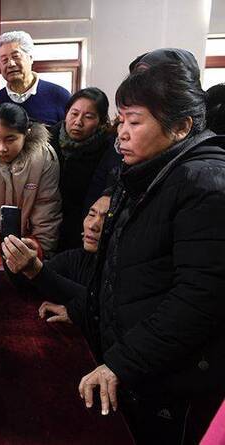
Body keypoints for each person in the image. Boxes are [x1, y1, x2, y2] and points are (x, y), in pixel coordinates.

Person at [42, 59, 224, 443]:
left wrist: (122, 364)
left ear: (180, 127)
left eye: (134, 122)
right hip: (138, 367)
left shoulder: (204, 182)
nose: (120, 134)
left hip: (171, 382)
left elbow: (199, 299)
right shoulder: (144, 172)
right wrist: (82, 311)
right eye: (120, 121)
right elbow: (122, 269)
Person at [0, 103, 62, 257]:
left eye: (10, 140)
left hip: (28, 245)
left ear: (26, 134)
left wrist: (39, 250)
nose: (2, 148)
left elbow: (46, 210)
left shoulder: (44, 157)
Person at [1, 195, 111, 325]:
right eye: (91, 215)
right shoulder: (75, 258)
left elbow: (99, 301)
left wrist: (75, 312)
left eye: (106, 218)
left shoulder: (124, 271)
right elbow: (28, 286)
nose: (93, 226)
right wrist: (10, 256)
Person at [48, 87, 121, 251]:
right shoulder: (47, 142)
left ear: (101, 121)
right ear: (66, 113)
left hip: (83, 235)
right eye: (74, 114)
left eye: (88, 117)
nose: (78, 122)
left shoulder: (109, 150)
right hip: (46, 229)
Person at [0, 31, 70, 126]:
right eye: (4, 60)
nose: (11, 64)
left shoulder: (59, 96)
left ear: (31, 58)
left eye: (16, 56)